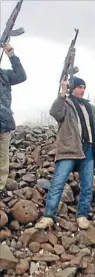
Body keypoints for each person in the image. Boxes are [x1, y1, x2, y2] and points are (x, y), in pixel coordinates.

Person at [35, 77, 95, 230]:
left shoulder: (90, 107)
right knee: (58, 183)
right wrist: (62, 93)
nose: (82, 90)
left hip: (88, 148)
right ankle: (49, 216)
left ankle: (82, 215)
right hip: (69, 148)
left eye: (84, 87)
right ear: (72, 88)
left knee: (87, 185)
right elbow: (55, 112)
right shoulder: (66, 104)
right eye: (79, 87)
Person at [0, 43, 27, 192]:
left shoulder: (4, 74)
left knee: (3, 160)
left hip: (4, 123)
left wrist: (11, 55)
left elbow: (21, 76)